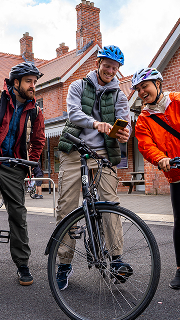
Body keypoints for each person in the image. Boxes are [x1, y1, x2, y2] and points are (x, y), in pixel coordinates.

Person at [56, 45, 132, 290]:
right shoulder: (78, 86)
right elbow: (73, 113)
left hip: (102, 154)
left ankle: (117, 258)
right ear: (98, 64)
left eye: (115, 67)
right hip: (74, 148)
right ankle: (64, 264)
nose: (110, 70)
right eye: (107, 65)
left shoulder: (119, 95)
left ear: (118, 70)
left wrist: (124, 134)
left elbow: (124, 121)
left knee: (110, 203)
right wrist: (96, 123)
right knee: (67, 206)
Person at [132, 67, 180, 290]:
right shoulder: (143, 120)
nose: (142, 92)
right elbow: (146, 145)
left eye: (145, 86)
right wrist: (161, 158)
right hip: (177, 175)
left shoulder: (178, 101)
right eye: (138, 89)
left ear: (158, 84)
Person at [0, 62, 45, 285]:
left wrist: (30, 162)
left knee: (18, 215)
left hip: (15, 167)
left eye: (35, 82)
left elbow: (38, 140)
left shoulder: (35, 110)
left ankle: (22, 264)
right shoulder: (0, 102)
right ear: (15, 82)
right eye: (29, 81)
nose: (33, 86)